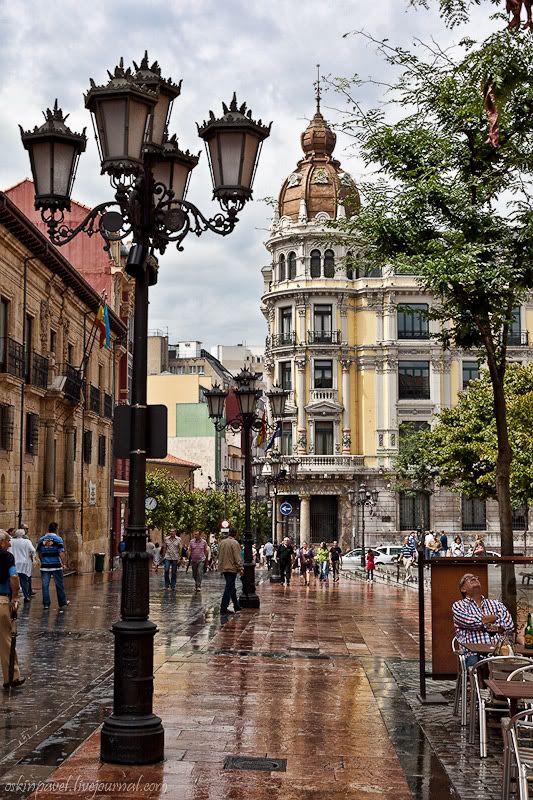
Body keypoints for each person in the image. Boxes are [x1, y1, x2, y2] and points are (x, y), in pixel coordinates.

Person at [453, 573, 514, 666]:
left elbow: (509, 625)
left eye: (476, 577)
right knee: (479, 666)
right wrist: (495, 620)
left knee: (515, 666)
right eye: (468, 578)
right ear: (463, 589)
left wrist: (485, 622)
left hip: (498, 652)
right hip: (474, 654)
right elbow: (470, 622)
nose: (474, 578)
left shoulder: (496, 604)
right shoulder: (459, 606)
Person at [0, 530, 24, 689]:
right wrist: (15, 597)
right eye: (8, 541)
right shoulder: (6, 556)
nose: (9, 544)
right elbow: (14, 577)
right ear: (1, 543)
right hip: (1, 600)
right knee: (6, 641)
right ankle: (11, 677)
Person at [36, 522, 69, 610]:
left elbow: (39, 552)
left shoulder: (41, 539)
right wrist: (64, 563)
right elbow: (61, 552)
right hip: (56, 565)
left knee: (45, 585)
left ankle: (46, 604)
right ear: (56, 529)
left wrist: (42, 560)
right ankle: (62, 602)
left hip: (45, 566)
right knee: (59, 585)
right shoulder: (58, 539)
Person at [218, 527, 243, 614]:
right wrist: (241, 568)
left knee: (231, 587)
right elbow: (237, 557)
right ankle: (223, 607)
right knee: (229, 587)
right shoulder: (235, 543)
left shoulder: (222, 542)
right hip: (232, 568)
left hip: (224, 568)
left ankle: (236, 606)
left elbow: (219, 555)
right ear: (235, 534)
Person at [9, 529, 35, 602]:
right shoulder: (27, 541)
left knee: (13, 580)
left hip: (14, 562)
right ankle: (26, 596)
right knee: (24, 580)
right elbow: (33, 550)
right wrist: (30, 555)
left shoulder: (11, 541)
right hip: (24, 563)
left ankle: (12, 596)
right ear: (23, 535)